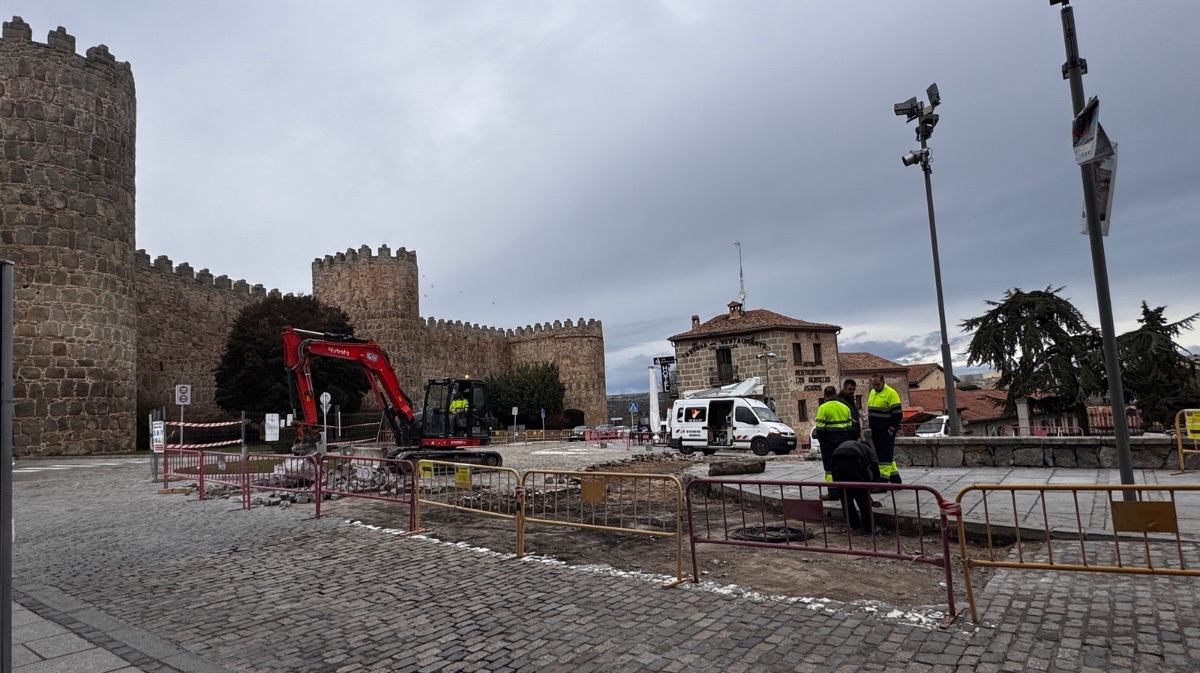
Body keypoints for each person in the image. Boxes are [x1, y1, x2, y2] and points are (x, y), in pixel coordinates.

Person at [830, 439, 881, 535]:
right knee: (862, 499)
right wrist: (871, 485)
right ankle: (868, 529)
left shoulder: (852, 445)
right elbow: (874, 469)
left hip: (836, 464)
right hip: (852, 464)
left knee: (846, 499)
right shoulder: (869, 450)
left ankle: (854, 526)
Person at [814, 385, 853, 501]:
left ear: (825, 396)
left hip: (828, 441)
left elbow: (820, 428)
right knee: (843, 465)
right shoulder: (845, 407)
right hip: (843, 440)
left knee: (829, 468)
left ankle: (833, 492)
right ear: (835, 394)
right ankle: (845, 491)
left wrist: (821, 440)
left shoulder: (823, 408)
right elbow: (850, 426)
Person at [867, 374, 904, 483]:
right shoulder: (872, 393)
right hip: (876, 430)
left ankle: (883, 481)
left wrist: (891, 429)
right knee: (885, 455)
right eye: (874, 384)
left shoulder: (891, 393)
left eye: (878, 384)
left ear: (883, 382)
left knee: (884, 457)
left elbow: (898, 414)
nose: (875, 387)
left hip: (885, 430)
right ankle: (895, 478)